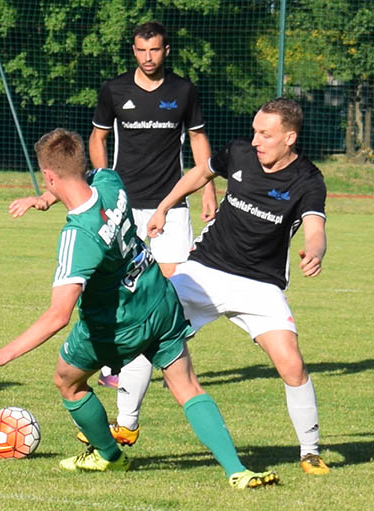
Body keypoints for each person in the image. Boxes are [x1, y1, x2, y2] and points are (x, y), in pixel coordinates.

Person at [0, 128, 277, 489]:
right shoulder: (110, 181)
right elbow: (85, 182)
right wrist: (45, 200)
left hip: (117, 323)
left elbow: (58, 315)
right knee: (187, 386)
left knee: (67, 381)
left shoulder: (78, 237)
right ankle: (237, 471)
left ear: (49, 176)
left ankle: (109, 456)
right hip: (158, 297)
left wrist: (4, 354)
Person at [8, 21, 216, 420]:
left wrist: (208, 189)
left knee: (166, 292)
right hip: (125, 203)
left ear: (166, 50)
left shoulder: (183, 91)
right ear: (133, 51)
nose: (148, 57)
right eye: (141, 50)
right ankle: (117, 363)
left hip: (171, 205)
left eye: (154, 50)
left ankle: (144, 361)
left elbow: (196, 140)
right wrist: (103, 187)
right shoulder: (115, 90)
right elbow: (97, 138)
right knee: (118, 286)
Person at [130, 97, 329, 475]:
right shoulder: (239, 153)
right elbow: (199, 175)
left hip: (260, 285)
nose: (255, 141)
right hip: (204, 270)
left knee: (292, 364)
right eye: (255, 131)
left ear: (290, 138)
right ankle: (125, 427)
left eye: (265, 135)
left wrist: (315, 252)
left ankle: (310, 452)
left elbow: (316, 228)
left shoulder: (308, 180)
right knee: (147, 328)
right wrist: (163, 207)